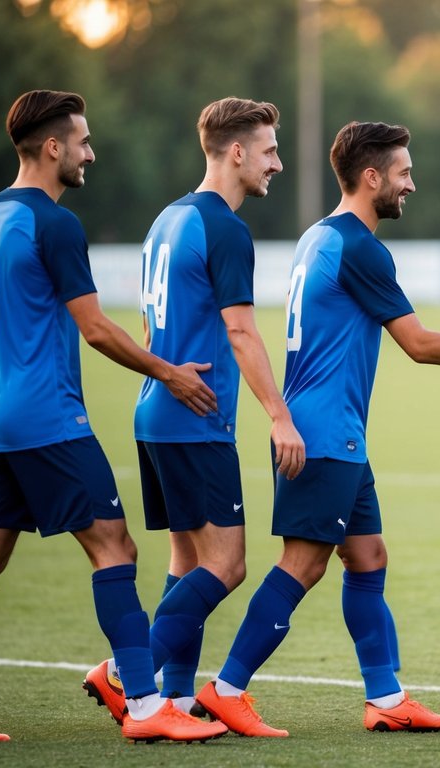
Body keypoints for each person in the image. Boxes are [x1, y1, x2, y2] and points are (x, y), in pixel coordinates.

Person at [188, 120, 440, 735]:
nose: (412, 184)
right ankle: (227, 689)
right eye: (404, 174)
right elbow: (419, 343)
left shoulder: (318, 237)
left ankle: (386, 700)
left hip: (335, 433)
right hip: (324, 435)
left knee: (367, 556)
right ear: (372, 176)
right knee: (303, 565)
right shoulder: (360, 246)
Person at [0, 89, 226, 744]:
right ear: (52, 147)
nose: (91, 152)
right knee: (114, 546)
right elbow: (94, 329)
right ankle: (144, 707)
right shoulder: (53, 223)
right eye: (83, 141)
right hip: (50, 422)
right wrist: (166, 370)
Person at [80, 97, 304, 737]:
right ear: (236, 152)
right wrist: (279, 416)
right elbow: (241, 332)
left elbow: (153, 325)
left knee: (186, 561)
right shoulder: (226, 228)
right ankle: (128, 676)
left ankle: (172, 701)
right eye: (268, 152)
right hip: (195, 418)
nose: (276, 165)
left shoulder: (167, 220)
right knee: (227, 564)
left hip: (157, 412)